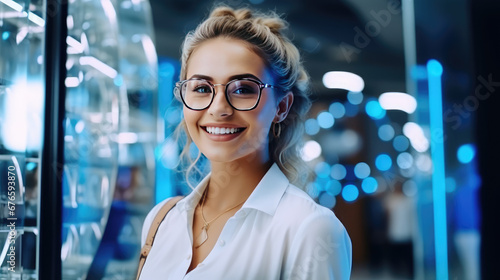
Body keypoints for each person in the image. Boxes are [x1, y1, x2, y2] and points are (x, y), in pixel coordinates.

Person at [139, 5, 352, 280]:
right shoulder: (161, 220)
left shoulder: (310, 229)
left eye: (242, 89)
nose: (218, 108)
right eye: (202, 88)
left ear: (281, 107)